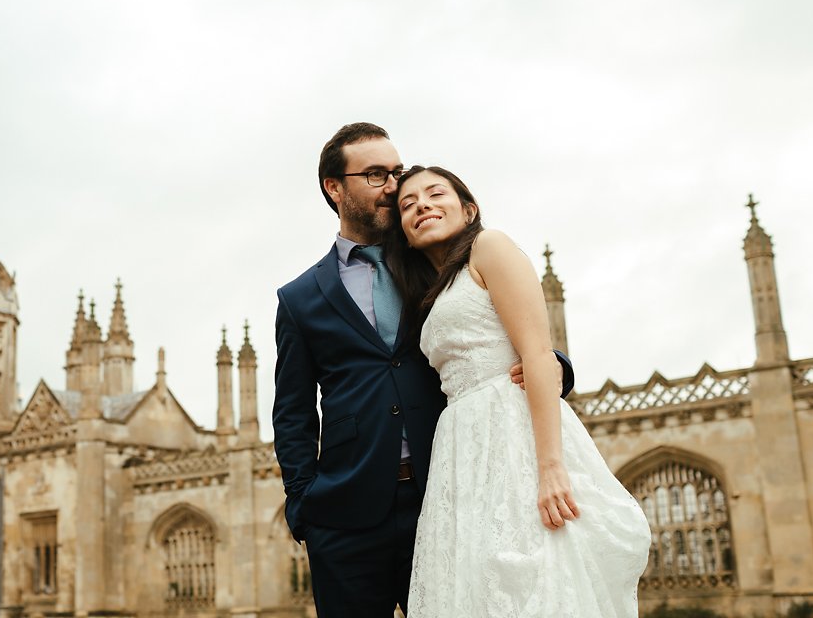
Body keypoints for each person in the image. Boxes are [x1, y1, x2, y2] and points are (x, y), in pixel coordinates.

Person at [272, 124, 573, 617]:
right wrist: (305, 508)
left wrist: (552, 367)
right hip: (347, 515)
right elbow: (294, 412)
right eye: (375, 175)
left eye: (395, 171)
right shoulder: (300, 297)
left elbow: (500, 324)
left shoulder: (438, 260)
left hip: (449, 495)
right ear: (334, 187)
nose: (394, 185)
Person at [389, 165, 650, 617]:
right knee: (477, 585)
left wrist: (550, 469)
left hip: (514, 434)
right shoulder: (429, 292)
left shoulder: (490, 247)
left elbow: (538, 354)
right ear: (404, 233)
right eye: (408, 205)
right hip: (463, 451)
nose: (422, 206)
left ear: (468, 208)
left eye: (434, 194)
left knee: (534, 573)